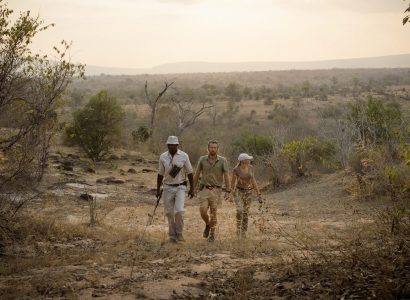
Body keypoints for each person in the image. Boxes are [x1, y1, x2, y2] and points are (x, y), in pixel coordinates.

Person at [157, 136, 195, 243]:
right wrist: (158, 189)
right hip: (167, 187)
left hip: (180, 187)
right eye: (169, 145)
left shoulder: (184, 156)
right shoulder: (163, 156)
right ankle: (172, 235)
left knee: (179, 211)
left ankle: (179, 233)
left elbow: (190, 172)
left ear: (177, 145)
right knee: (169, 212)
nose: (171, 146)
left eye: (173, 145)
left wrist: (192, 189)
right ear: (167, 145)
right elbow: (160, 174)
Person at [193, 140, 231, 242]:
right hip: (205, 189)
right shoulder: (202, 159)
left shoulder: (223, 160)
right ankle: (207, 224)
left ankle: (212, 235)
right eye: (211, 147)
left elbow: (227, 175)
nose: (213, 149)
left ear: (217, 149)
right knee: (203, 210)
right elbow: (196, 174)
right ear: (208, 148)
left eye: (215, 147)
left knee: (214, 213)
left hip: (216, 190)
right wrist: (192, 187)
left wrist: (228, 190)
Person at [230, 153, 262, 238]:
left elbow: (253, 180)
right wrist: (231, 193)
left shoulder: (251, 168)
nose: (249, 160)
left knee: (246, 212)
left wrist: (258, 192)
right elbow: (232, 183)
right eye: (248, 159)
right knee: (240, 210)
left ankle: (244, 232)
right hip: (238, 192)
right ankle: (238, 229)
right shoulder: (236, 170)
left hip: (248, 192)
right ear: (243, 161)